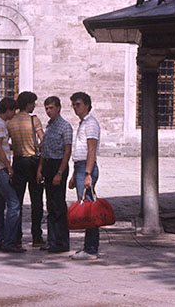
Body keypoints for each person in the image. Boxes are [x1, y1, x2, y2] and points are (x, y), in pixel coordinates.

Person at [6, 91, 45, 248]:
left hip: (18, 161)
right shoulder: (33, 120)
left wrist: (14, 146)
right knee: (36, 201)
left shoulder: (11, 121)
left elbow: (3, 140)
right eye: (33, 103)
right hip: (33, 162)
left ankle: (17, 237)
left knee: (17, 201)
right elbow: (43, 139)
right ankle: (36, 236)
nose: (34, 106)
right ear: (28, 104)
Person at [0, 96, 24, 253]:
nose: (13, 114)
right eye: (13, 111)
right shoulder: (1, 124)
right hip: (0, 168)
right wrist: (9, 166)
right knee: (14, 204)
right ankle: (9, 241)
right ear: (7, 110)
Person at [36, 96, 72, 253]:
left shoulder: (65, 127)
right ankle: (52, 240)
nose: (48, 111)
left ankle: (61, 242)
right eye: (46, 108)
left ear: (58, 108)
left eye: (51, 108)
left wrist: (60, 172)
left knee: (58, 205)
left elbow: (67, 151)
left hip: (58, 165)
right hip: (48, 165)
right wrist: (40, 169)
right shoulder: (49, 126)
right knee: (50, 204)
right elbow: (45, 149)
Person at [69, 92, 100, 261]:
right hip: (80, 167)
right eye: (73, 104)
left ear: (87, 105)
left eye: (78, 104)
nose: (75, 107)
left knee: (88, 209)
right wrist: (76, 174)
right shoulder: (83, 123)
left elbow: (91, 150)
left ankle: (91, 249)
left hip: (86, 168)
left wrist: (87, 173)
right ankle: (89, 247)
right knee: (87, 207)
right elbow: (81, 151)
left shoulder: (91, 123)